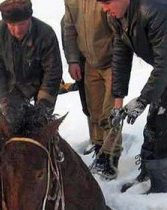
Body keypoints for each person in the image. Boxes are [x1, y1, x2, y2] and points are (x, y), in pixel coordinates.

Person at [97, 0, 167, 193]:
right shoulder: (117, 16)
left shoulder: (154, 12)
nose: (104, 8)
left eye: (108, 2)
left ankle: (160, 189)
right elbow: (120, 56)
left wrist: (143, 100)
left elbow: (166, 64)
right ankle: (147, 175)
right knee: (153, 117)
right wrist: (118, 102)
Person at [63, 0, 122, 180]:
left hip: (113, 61)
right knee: (94, 111)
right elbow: (69, 28)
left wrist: (119, 59)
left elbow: (120, 26)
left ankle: (111, 158)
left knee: (109, 112)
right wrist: (73, 60)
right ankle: (99, 152)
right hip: (90, 62)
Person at [0, 0, 62, 120]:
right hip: (14, 87)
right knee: (13, 124)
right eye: (11, 25)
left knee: (41, 122)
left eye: (22, 24)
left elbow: (53, 71)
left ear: (30, 18)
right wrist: (4, 100)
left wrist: (44, 103)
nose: (17, 31)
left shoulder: (46, 34)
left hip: (41, 83)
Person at [60, 16, 92, 156]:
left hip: (104, 65)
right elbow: (67, 42)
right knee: (88, 106)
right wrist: (73, 61)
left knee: (105, 108)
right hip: (81, 66)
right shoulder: (68, 18)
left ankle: (109, 145)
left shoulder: (102, 8)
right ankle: (95, 139)